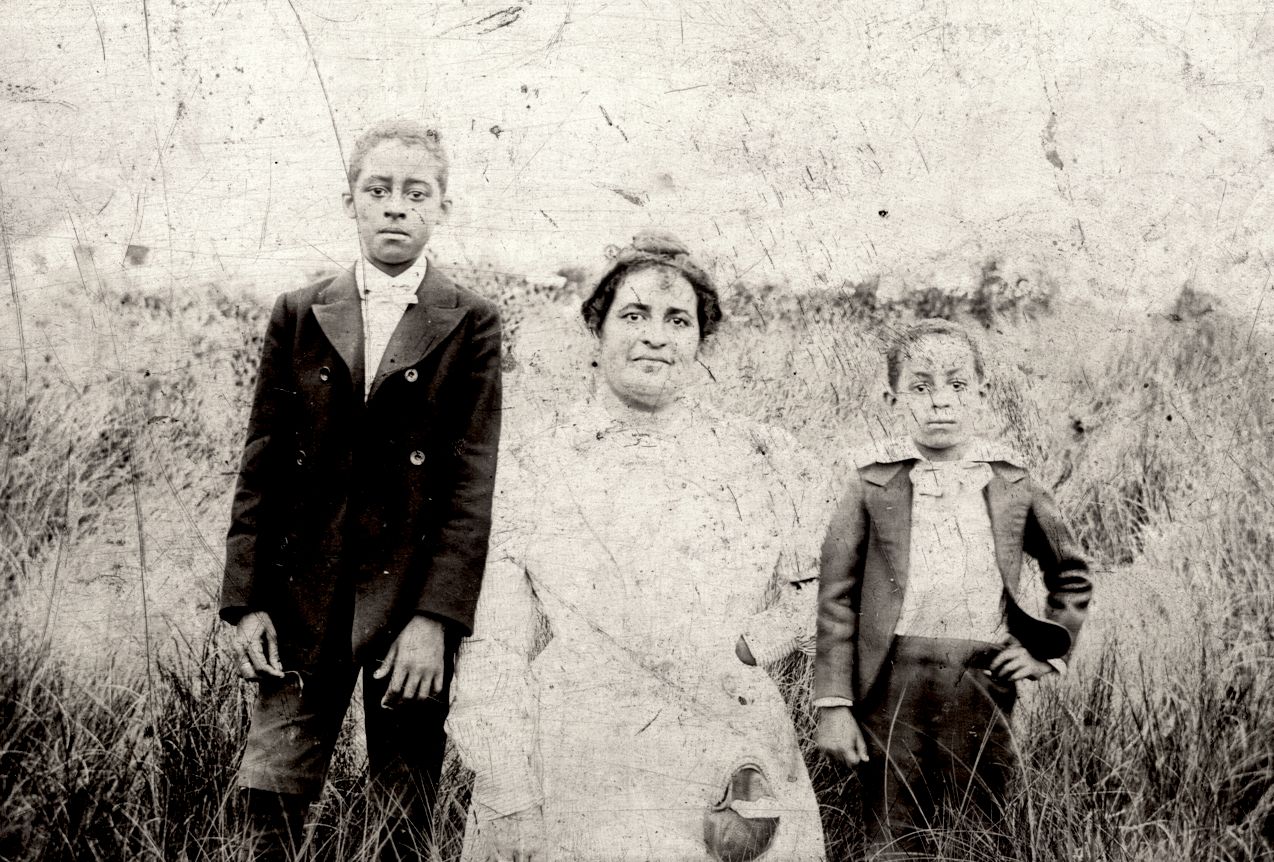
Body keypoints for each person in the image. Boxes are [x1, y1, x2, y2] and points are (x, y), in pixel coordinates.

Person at [446, 231, 828, 861]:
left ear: (701, 338)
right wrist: (507, 791)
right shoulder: (533, 461)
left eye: (678, 319)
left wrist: (753, 646)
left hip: (727, 742)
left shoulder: (764, 456)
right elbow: (495, 645)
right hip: (579, 752)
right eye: (633, 315)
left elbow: (824, 589)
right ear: (596, 330)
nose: (656, 336)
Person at [219, 119, 502, 861]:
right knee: (269, 799)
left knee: (400, 815)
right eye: (378, 190)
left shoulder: (472, 322)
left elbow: (471, 490)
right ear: (350, 200)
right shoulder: (299, 311)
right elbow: (261, 465)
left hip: (406, 609)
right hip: (300, 603)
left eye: (417, 192)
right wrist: (246, 602)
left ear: (443, 206)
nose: (396, 206)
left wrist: (435, 620)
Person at [812, 318, 1093, 859]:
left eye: (957, 384)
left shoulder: (1012, 482)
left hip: (982, 680)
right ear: (893, 398)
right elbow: (836, 598)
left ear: (981, 394)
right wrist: (834, 706)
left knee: (982, 827)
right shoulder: (870, 482)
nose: (940, 401)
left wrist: (1045, 652)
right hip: (890, 683)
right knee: (893, 833)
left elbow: (1071, 573)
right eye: (921, 386)